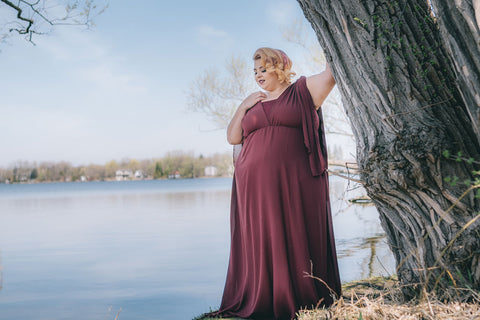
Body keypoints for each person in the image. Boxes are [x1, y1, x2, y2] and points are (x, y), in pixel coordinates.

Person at [206, 47, 341, 320]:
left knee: (293, 232)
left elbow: (332, 72)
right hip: (252, 187)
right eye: (255, 71)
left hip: (294, 182)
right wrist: (243, 105)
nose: (258, 75)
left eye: (263, 69)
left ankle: (297, 296)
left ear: (280, 67)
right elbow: (233, 137)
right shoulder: (254, 102)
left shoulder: (303, 90)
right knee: (262, 237)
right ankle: (262, 295)